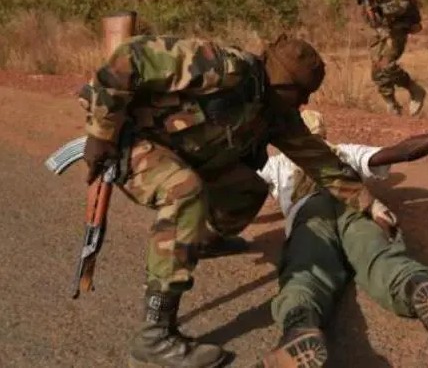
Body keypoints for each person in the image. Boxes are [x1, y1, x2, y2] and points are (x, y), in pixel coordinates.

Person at [79, 34, 373, 368]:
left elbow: (319, 161)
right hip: (131, 143)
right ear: (282, 83)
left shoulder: (274, 112)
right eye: (300, 94)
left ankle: (201, 239)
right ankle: (154, 336)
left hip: (184, 153)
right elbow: (130, 57)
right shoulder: (221, 67)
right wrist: (101, 133)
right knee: (184, 191)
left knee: (247, 188)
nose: (303, 104)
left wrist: (368, 203)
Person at [256, 93, 428, 368]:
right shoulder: (343, 151)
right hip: (357, 206)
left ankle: (300, 323)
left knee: (306, 272)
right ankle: (415, 287)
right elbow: (405, 151)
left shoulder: (279, 163)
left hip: (310, 214)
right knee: (382, 258)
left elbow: (236, 185)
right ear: (324, 134)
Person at [352, 0, 427, 116]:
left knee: (386, 65)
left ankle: (414, 89)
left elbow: (403, 3)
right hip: (377, 25)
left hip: (396, 23)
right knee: (376, 71)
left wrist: (381, 8)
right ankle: (392, 104)